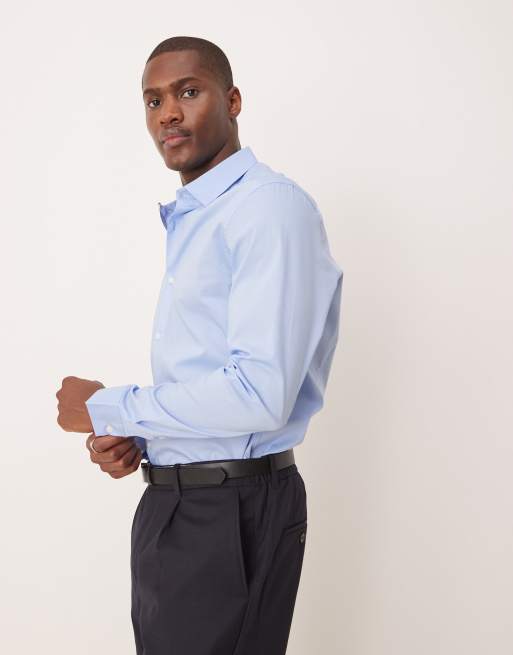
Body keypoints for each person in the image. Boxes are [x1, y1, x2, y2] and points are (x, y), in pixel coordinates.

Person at [55, 35, 343, 655]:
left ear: (233, 101)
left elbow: (259, 394)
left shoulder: (267, 210)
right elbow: (214, 376)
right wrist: (143, 437)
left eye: (188, 92)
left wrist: (109, 407)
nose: (168, 114)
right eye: (153, 100)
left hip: (231, 511)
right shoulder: (199, 215)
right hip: (177, 504)